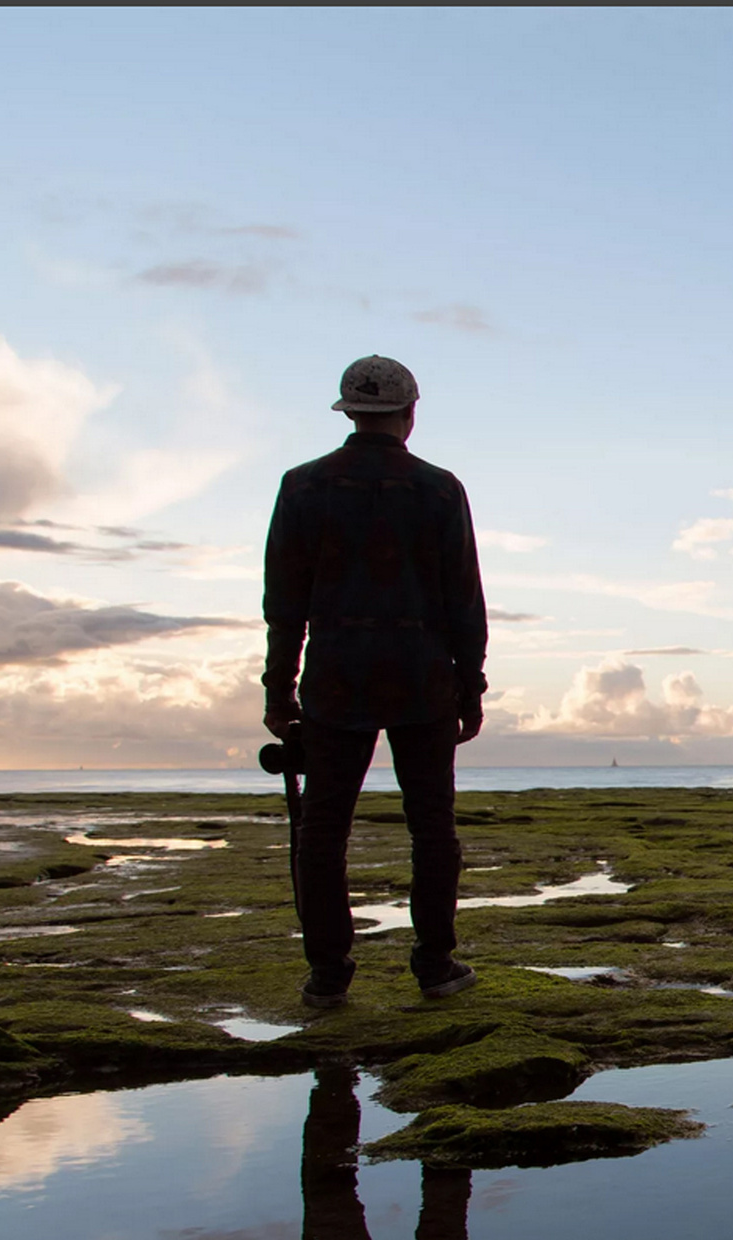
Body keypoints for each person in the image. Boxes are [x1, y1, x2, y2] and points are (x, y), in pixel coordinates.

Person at [263, 355, 487, 1008]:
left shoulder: (303, 486)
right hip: (422, 676)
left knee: (323, 831)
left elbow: (284, 601)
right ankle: (435, 964)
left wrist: (279, 688)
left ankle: (328, 974)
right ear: (409, 414)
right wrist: (470, 685)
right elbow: (464, 598)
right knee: (432, 828)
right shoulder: (438, 489)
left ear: (350, 413)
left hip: (336, 678)